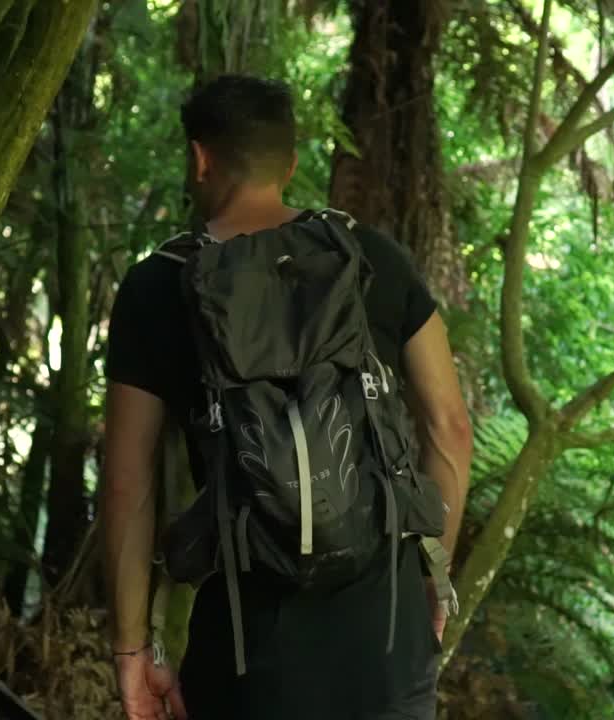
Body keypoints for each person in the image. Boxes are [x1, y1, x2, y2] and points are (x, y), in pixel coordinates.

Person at [100, 74, 472, 720]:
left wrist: (135, 648)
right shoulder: (371, 258)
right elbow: (450, 429)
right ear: (292, 163)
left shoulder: (158, 287)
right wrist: (431, 584)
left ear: (199, 159)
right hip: (387, 645)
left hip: (248, 660)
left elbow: (128, 484)